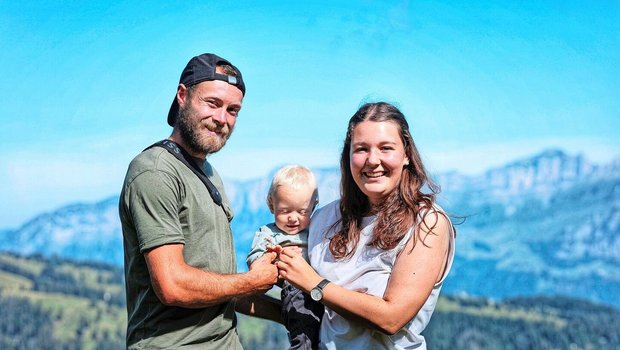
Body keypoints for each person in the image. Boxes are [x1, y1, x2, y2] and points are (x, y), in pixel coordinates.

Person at [119, 53, 279, 349]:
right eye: (213, 103)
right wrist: (253, 280)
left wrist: (293, 315)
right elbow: (173, 285)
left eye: (233, 110)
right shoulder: (155, 171)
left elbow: (220, 286)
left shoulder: (208, 173)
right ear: (183, 95)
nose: (222, 119)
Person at [274, 102, 456, 349]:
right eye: (361, 149)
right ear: (348, 156)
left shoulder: (427, 223)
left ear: (406, 155)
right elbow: (316, 306)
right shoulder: (323, 218)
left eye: (386, 148)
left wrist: (314, 284)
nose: (372, 160)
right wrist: (234, 296)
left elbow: (391, 319)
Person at [246, 165, 324, 350]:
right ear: (271, 204)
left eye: (302, 211)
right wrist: (275, 258)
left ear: (314, 206)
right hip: (296, 290)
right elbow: (255, 260)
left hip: (321, 285)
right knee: (304, 332)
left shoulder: (316, 227)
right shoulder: (268, 234)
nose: (293, 218)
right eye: (285, 211)